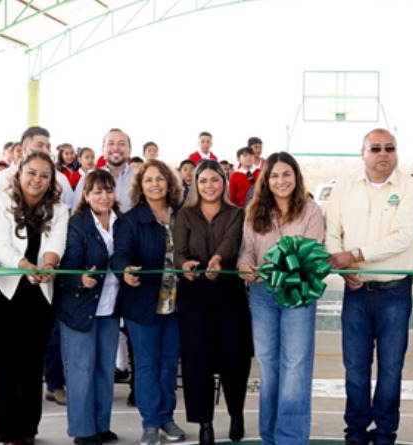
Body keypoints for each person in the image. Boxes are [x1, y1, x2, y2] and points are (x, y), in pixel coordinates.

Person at [325, 128, 413, 445]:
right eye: (376, 148)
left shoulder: (409, 187)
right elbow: (331, 234)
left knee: (391, 370)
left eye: (390, 148)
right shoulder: (343, 186)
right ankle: (355, 432)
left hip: (394, 293)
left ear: (396, 152)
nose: (383, 153)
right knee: (355, 370)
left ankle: (384, 433)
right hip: (355, 293)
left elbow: (403, 236)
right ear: (363, 152)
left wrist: (355, 256)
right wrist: (343, 271)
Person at [237, 152, 324, 445]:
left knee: (295, 365)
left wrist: (277, 268)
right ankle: (269, 437)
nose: (280, 180)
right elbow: (247, 251)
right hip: (262, 294)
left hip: (297, 293)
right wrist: (244, 266)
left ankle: (291, 438)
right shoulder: (253, 213)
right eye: (274, 175)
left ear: (296, 177)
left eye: (286, 174)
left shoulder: (311, 210)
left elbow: (310, 254)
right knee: (268, 366)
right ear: (266, 180)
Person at [0, 151, 69, 445]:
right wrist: (22, 266)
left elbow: (56, 242)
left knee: (33, 364)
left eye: (44, 175)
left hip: (40, 295)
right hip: (5, 292)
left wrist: (48, 265)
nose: (37, 180)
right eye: (31, 173)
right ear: (19, 173)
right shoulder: (1, 202)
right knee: (8, 362)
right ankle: (8, 431)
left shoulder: (59, 209)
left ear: (51, 180)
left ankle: (28, 428)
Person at [173, 160, 249, 445]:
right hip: (194, 296)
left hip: (229, 294)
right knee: (197, 360)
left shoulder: (237, 213)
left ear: (224, 183)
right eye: (203, 180)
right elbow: (178, 253)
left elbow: (231, 241)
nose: (209, 186)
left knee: (234, 358)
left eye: (214, 180)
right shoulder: (185, 214)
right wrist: (185, 266)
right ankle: (205, 423)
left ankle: (236, 414)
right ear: (195, 184)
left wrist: (217, 259)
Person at [111, 160, 186, 445]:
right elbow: (120, 255)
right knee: (146, 365)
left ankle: (168, 418)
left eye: (160, 179)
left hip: (177, 305)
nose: (155, 184)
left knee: (169, 364)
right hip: (143, 305)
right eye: (148, 180)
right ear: (140, 187)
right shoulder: (130, 220)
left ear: (169, 183)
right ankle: (151, 422)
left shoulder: (183, 216)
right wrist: (125, 271)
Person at [53, 170, 122, 445]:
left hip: (110, 307)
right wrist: (80, 278)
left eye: (108, 191)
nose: (103, 196)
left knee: (105, 369)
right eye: (97, 192)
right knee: (80, 370)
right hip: (79, 308)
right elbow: (67, 266)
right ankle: (83, 431)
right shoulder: (77, 224)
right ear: (86, 195)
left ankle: (101, 425)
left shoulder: (122, 222)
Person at [0, 126, 75, 208]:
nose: (45, 150)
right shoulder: (3, 177)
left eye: (48, 146)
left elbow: (69, 208)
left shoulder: (60, 178)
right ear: (25, 148)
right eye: (40, 145)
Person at [73, 129, 137, 212]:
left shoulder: (142, 177)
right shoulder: (88, 177)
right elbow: (76, 212)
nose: (116, 148)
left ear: (130, 150)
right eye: (110, 143)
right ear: (103, 149)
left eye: (121, 143)